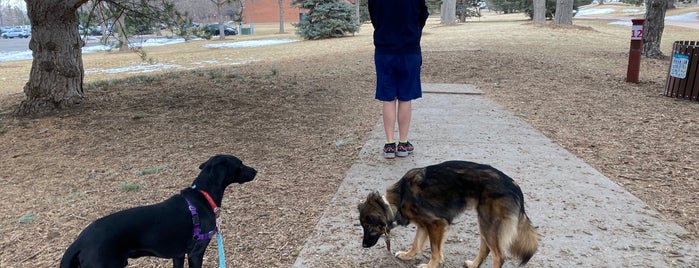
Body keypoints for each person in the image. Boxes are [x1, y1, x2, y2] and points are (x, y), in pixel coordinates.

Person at [368, 0, 429, 159]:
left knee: (388, 98)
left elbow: (374, 16)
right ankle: (403, 143)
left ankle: (389, 145)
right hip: (409, 49)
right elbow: (423, 15)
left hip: (384, 50)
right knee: (405, 97)